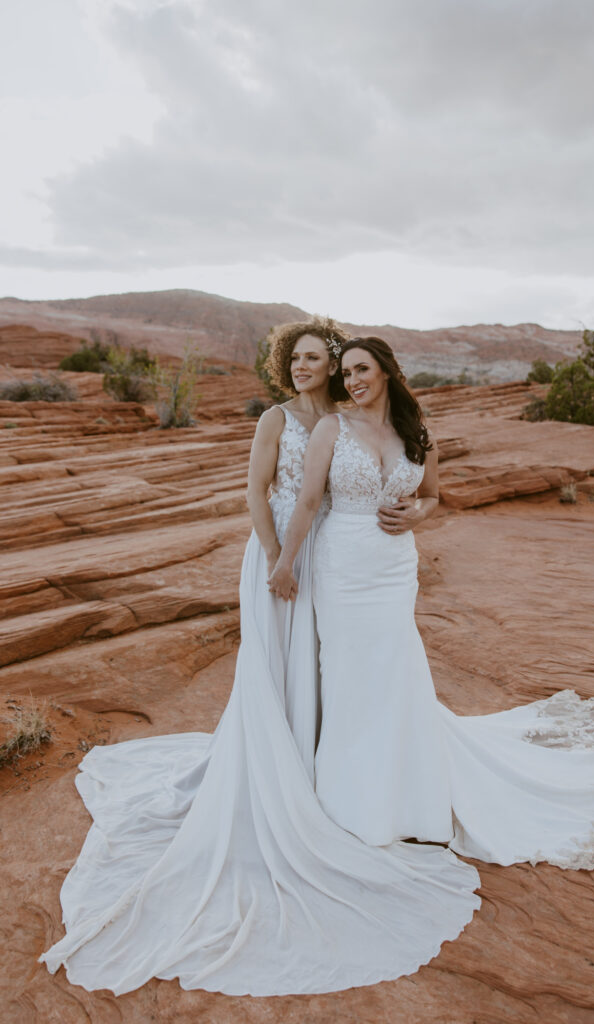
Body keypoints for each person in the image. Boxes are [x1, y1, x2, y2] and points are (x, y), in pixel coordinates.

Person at [39, 320, 482, 997]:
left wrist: (415, 514)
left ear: (349, 369)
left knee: (330, 667)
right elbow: (271, 492)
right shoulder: (281, 419)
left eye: (320, 359)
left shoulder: (352, 417)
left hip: (355, 562)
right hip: (286, 553)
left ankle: (328, 767)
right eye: (298, 358)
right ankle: (282, 770)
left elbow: (415, 490)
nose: (310, 368)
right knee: (284, 662)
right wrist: (278, 558)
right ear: (286, 363)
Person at [269, 336, 594, 868]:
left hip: (394, 568)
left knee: (398, 669)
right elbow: (307, 499)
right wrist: (285, 562)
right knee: (348, 672)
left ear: (387, 372)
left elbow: (433, 496)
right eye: (346, 373)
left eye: (362, 369)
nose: (352, 381)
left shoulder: (417, 432)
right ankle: (354, 801)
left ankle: (412, 798)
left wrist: (417, 515)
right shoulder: (332, 428)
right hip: (342, 566)